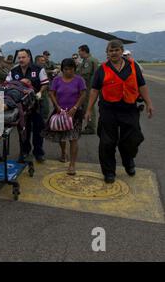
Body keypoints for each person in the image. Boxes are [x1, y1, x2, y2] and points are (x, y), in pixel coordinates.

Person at [85, 39, 154, 184]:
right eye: (111, 50)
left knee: (132, 139)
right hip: (108, 110)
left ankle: (128, 161)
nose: (114, 53)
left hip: (129, 108)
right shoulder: (102, 69)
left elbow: (142, 85)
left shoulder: (133, 66)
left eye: (116, 50)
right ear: (107, 53)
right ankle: (109, 172)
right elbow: (94, 90)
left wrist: (149, 103)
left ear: (122, 51)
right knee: (107, 142)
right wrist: (89, 109)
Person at [42, 58, 87, 175]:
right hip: (59, 112)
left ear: (74, 69)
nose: (68, 72)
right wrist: (56, 106)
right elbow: (51, 92)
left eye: (71, 69)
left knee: (73, 138)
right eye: (66, 69)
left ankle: (72, 164)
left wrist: (75, 108)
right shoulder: (57, 80)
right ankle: (63, 152)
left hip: (75, 113)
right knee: (61, 135)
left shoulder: (79, 80)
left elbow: (83, 94)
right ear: (62, 69)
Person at [6, 49, 49, 162]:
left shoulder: (39, 69)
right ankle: (24, 151)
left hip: (36, 105)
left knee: (38, 130)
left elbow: (45, 83)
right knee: (23, 130)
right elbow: (7, 84)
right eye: (19, 58)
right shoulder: (13, 71)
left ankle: (38, 153)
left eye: (23, 57)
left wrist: (40, 92)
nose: (21, 60)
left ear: (29, 57)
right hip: (21, 107)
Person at [77, 44, 99, 134]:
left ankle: (90, 127)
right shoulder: (89, 60)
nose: (79, 54)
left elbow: (85, 75)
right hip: (90, 87)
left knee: (88, 107)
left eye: (79, 52)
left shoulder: (88, 61)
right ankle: (89, 126)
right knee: (88, 106)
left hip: (88, 87)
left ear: (84, 51)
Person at [35, 54, 51, 121]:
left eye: (44, 60)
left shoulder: (42, 69)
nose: (44, 62)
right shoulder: (33, 70)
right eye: (42, 61)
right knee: (41, 109)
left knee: (45, 109)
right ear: (37, 61)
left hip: (44, 91)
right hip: (37, 92)